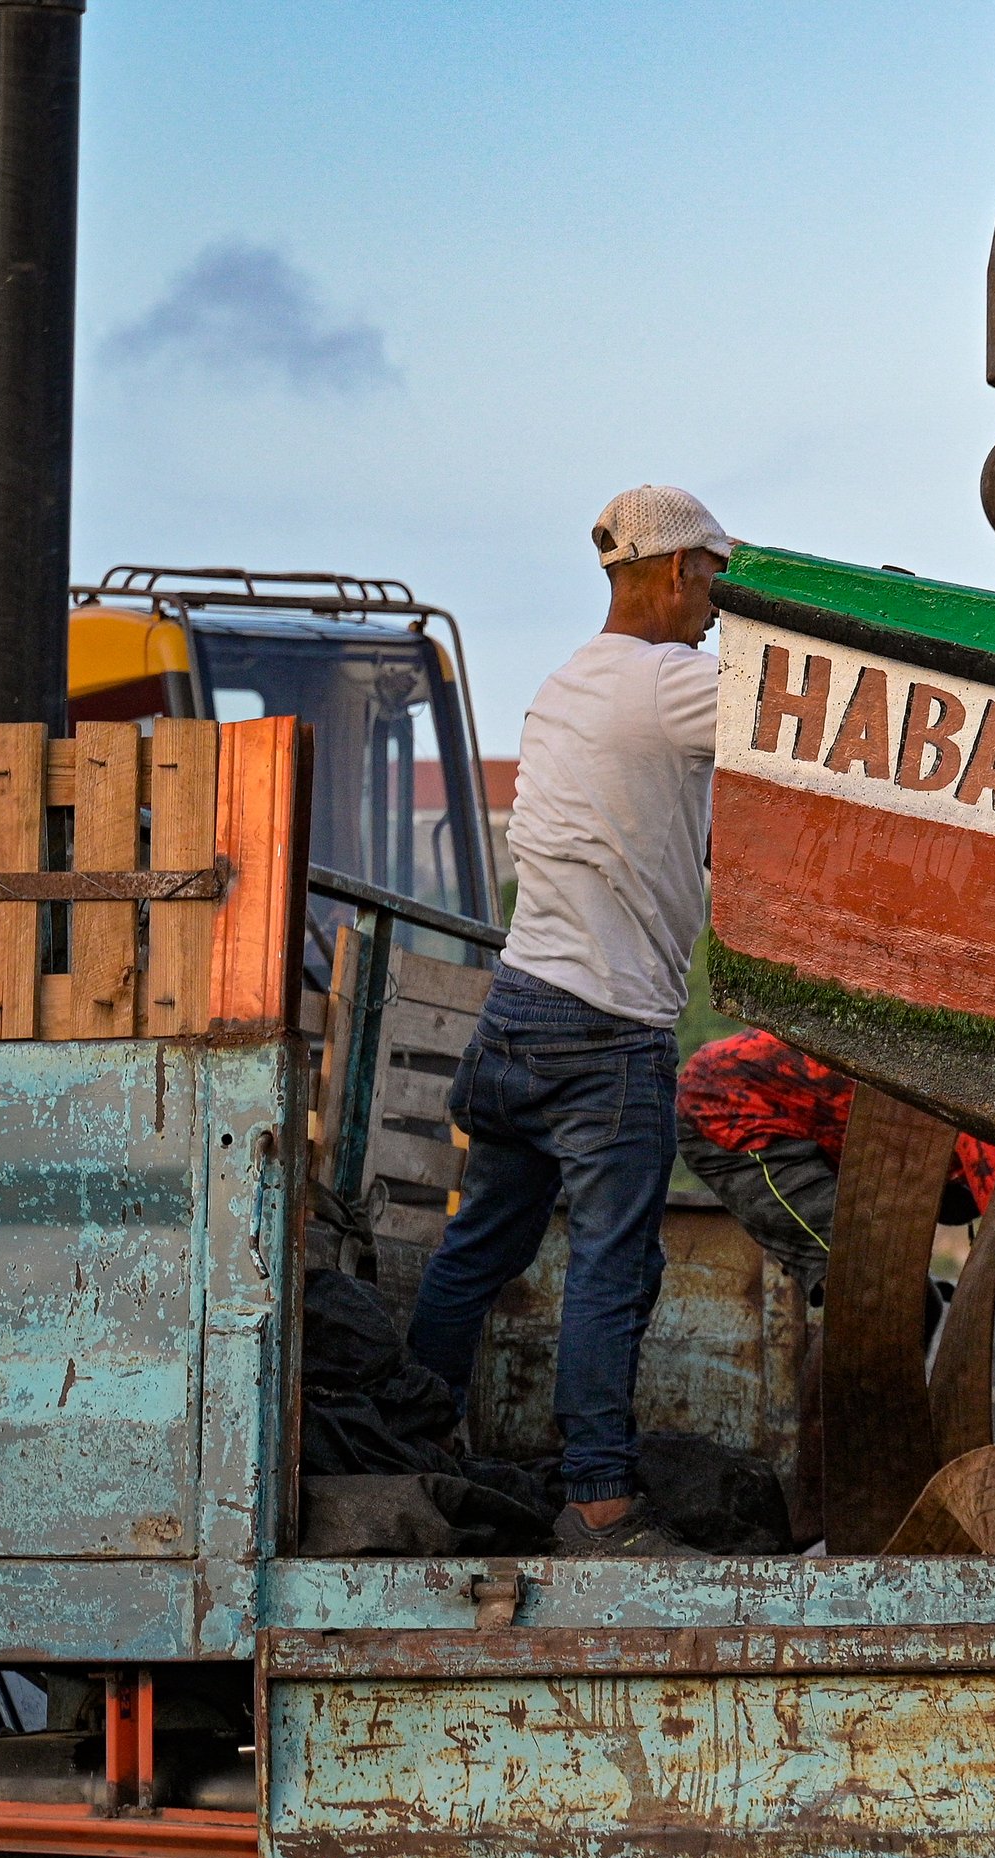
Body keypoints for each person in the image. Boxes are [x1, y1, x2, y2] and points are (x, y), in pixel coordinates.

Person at [404, 484, 732, 1556]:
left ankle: (404, 1451)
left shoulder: (563, 688)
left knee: (476, 1252)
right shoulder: (670, 685)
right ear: (678, 569)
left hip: (517, 1013)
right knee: (613, 1266)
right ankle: (598, 1503)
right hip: (607, 1032)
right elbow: (806, 716)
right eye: (718, 580)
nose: (719, 607)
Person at [674, 1027, 995, 1438]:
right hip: (727, 1105)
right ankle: (845, 1465)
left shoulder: (986, 1082)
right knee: (870, 1291)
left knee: (910, 1299)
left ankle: (875, 1450)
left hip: (826, 1120)